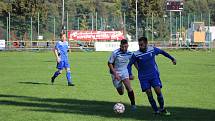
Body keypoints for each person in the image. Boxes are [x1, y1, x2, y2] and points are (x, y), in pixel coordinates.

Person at [128, 37, 176, 115]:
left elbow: (162, 52)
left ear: (146, 43)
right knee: (149, 94)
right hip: (143, 78)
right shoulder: (136, 54)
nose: (140, 46)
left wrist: (172, 58)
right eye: (139, 45)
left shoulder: (152, 49)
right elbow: (129, 65)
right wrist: (130, 74)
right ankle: (156, 110)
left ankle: (162, 108)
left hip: (154, 75)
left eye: (142, 45)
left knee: (158, 92)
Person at [108, 39, 136, 111]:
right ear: (120, 46)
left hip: (124, 72)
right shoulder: (115, 53)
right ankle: (121, 85)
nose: (124, 48)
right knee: (121, 93)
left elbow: (134, 62)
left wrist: (132, 73)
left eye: (126, 47)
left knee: (129, 88)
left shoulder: (130, 53)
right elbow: (109, 63)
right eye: (122, 47)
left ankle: (133, 105)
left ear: (128, 46)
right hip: (115, 72)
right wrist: (115, 74)